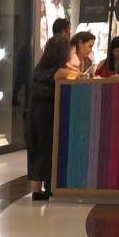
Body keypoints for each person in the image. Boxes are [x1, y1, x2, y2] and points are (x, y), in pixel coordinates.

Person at [26, 34, 75, 201]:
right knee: (48, 149)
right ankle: (49, 187)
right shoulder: (60, 71)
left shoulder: (38, 69)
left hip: (34, 112)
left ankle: (36, 189)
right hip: (48, 113)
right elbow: (76, 75)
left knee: (37, 149)